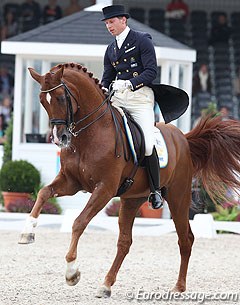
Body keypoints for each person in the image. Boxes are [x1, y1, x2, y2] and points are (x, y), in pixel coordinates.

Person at [101, 5, 164, 209]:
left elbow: (151, 71)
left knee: (146, 144)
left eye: (112, 22)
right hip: (118, 97)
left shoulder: (141, 40)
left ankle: (155, 190)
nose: (109, 26)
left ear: (123, 21)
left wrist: (130, 83)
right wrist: (102, 90)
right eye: (107, 23)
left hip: (140, 98)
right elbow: (107, 78)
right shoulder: (110, 49)